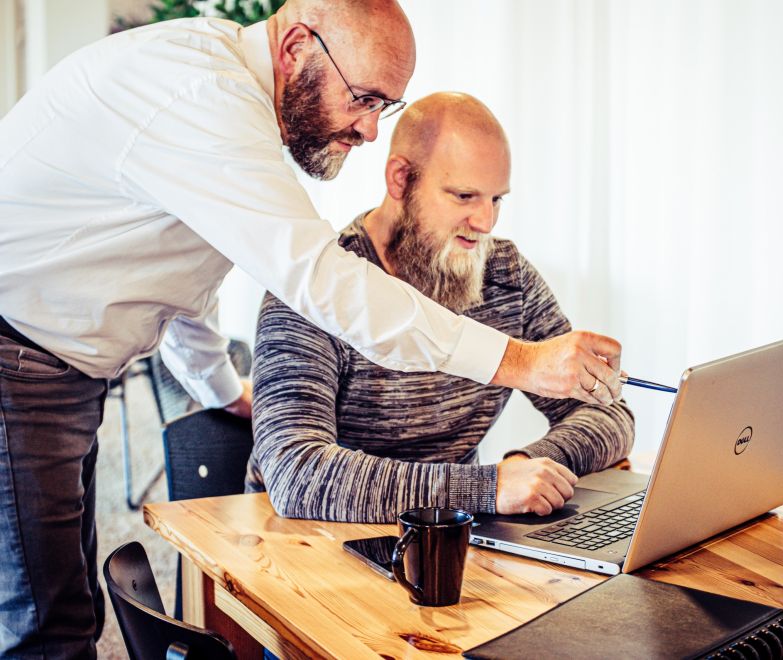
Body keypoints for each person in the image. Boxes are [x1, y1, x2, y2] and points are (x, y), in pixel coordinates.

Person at [0, 1, 623, 655]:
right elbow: (321, 285)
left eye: (386, 105)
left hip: (59, 362)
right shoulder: (201, 99)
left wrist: (220, 392)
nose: (370, 129)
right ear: (298, 45)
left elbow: (171, 281)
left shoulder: (227, 116)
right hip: (21, 352)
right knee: (51, 626)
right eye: (364, 98)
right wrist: (517, 367)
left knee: (61, 604)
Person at [246, 92, 635, 523]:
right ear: (400, 179)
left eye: (496, 199)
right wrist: (487, 487)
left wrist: (530, 465)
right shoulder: (312, 287)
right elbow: (296, 473)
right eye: (465, 196)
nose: (485, 223)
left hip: (451, 535)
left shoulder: (506, 275)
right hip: (303, 547)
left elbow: (607, 412)